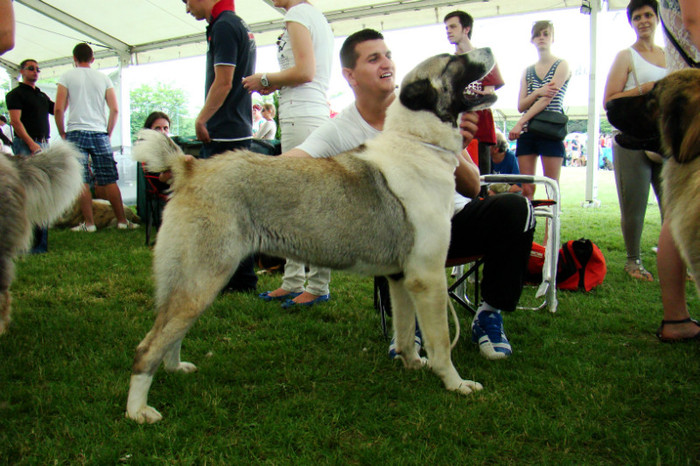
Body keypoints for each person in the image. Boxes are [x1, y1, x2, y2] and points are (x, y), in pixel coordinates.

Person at [284, 29, 535, 360]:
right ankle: (409, 326)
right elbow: (289, 164)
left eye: (388, 55)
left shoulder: (426, 105)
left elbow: (473, 188)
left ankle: (489, 313)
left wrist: (448, 144)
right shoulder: (340, 128)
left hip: (454, 221)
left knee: (517, 209)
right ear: (350, 75)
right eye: (374, 58)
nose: (386, 63)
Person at [243, 0, 334, 308]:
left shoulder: (298, 14)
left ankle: (317, 284)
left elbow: (305, 71)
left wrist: (265, 80)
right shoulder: (311, 16)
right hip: (305, 113)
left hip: (303, 114)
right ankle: (295, 280)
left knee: (307, 205)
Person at [182, 0, 258, 293]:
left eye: (187, 1)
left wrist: (202, 118)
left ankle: (233, 280)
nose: (188, 9)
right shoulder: (236, 23)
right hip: (237, 129)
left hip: (224, 132)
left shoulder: (224, 25)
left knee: (220, 212)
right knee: (238, 211)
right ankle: (241, 279)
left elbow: (224, 82)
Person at [604, 0, 667, 282]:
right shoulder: (625, 56)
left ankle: (677, 261)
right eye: (638, 16)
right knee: (634, 208)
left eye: (648, 15)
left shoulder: (668, 56)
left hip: (664, 141)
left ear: (657, 18)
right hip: (631, 140)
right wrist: (644, 89)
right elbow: (610, 100)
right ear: (632, 22)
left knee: (673, 208)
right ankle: (633, 262)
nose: (643, 21)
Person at [54, 43, 136, 233]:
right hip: (99, 132)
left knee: (81, 180)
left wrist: (62, 132)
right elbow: (114, 110)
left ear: (74, 59)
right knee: (110, 179)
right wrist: (107, 131)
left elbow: (59, 109)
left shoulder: (67, 76)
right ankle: (123, 221)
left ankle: (89, 224)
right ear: (92, 59)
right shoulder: (103, 78)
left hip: (75, 131)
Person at [655, 0, 700, 342]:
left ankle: (676, 318)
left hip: (684, 97)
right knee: (687, 211)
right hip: (692, 98)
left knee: (681, 211)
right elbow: (694, 19)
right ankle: (675, 319)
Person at [509, 21, 571, 200]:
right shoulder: (527, 71)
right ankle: (528, 226)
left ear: (552, 38)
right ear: (532, 39)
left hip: (550, 129)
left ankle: (551, 228)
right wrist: (537, 91)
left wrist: (520, 122)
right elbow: (521, 104)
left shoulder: (562, 65)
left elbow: (547, 100)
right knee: (527, 189)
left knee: (551, 187)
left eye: (545, 34)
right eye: (538, 34)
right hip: (528, 132)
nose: (541, 38)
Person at [444, 10, 505, 178]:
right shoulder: (448, 63)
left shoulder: (484, 57)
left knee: (482, 179)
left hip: (480, 127)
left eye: (453, 26)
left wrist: (475, 94)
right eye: (447, 27)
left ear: (466, 29)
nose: (449, 31)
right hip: (456, 129)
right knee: (458, 179)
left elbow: (489, 93)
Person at [5, 58, 54, 253]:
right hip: (28, 145)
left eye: (38, 69)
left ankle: (40, 243)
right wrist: (31, 144)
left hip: (43, 143)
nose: (35, 72)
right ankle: (29, 242)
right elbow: (16, 122)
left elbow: (57, 108)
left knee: (43, 193)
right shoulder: (15, 94)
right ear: (21, 71)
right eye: (31, 69)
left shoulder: (41, 95)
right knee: (29, 193)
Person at [488, 129, 522, 195]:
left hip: (510, 194)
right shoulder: (487, 159)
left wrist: (500, 196)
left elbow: (519, 186)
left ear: (496, 149)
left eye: (488, 144)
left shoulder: (511, 158)